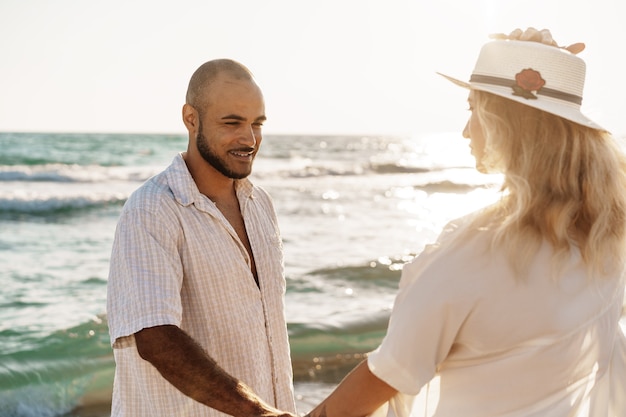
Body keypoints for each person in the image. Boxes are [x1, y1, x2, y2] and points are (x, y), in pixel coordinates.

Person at [305, 28, 626, 417]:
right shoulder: (607, 240)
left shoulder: (471, 255)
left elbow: (383, 378)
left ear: (504, 125)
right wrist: (546, 70)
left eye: (473, 109)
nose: (465, 129)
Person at [106, 59, 297, 417]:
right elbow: (155, 339)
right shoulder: (151, 210)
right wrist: (257, 412)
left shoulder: (259, 204)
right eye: (232, 123)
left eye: (257, 123)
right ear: (190, 118)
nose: (249, 139)